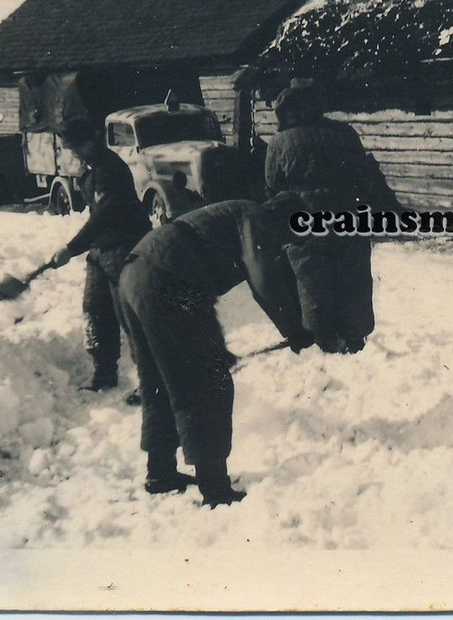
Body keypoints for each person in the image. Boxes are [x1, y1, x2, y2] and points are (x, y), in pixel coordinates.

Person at [117, 194, 313, 507]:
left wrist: (217, 346)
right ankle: (215, 487)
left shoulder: (233, 211)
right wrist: (296, 332)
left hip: (133, 277)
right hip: (169, 280)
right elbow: (265, 283)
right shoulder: (258, 218)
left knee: (160, 380)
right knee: (208, 383)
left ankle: (161, 472)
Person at [262, 81, 402, 354]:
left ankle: (323, 341)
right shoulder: (345, 133)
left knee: (312, 281)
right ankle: (355, 337)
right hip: (348, 218)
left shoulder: (278, 143)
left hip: (305, 224)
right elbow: (365, 176)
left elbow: (273, 184)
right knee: (353, 278)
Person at [47, 117, 151, 392]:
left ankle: (150, 382)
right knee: (95, 310)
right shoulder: (91, 168)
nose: (74, 152)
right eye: (70, 148)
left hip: (124, 247)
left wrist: (71, 248)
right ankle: (104, 374)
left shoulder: (110, 169)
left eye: (76, 146)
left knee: (130, 316)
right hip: (100, 249)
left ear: (93, 138)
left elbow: (103, 216)